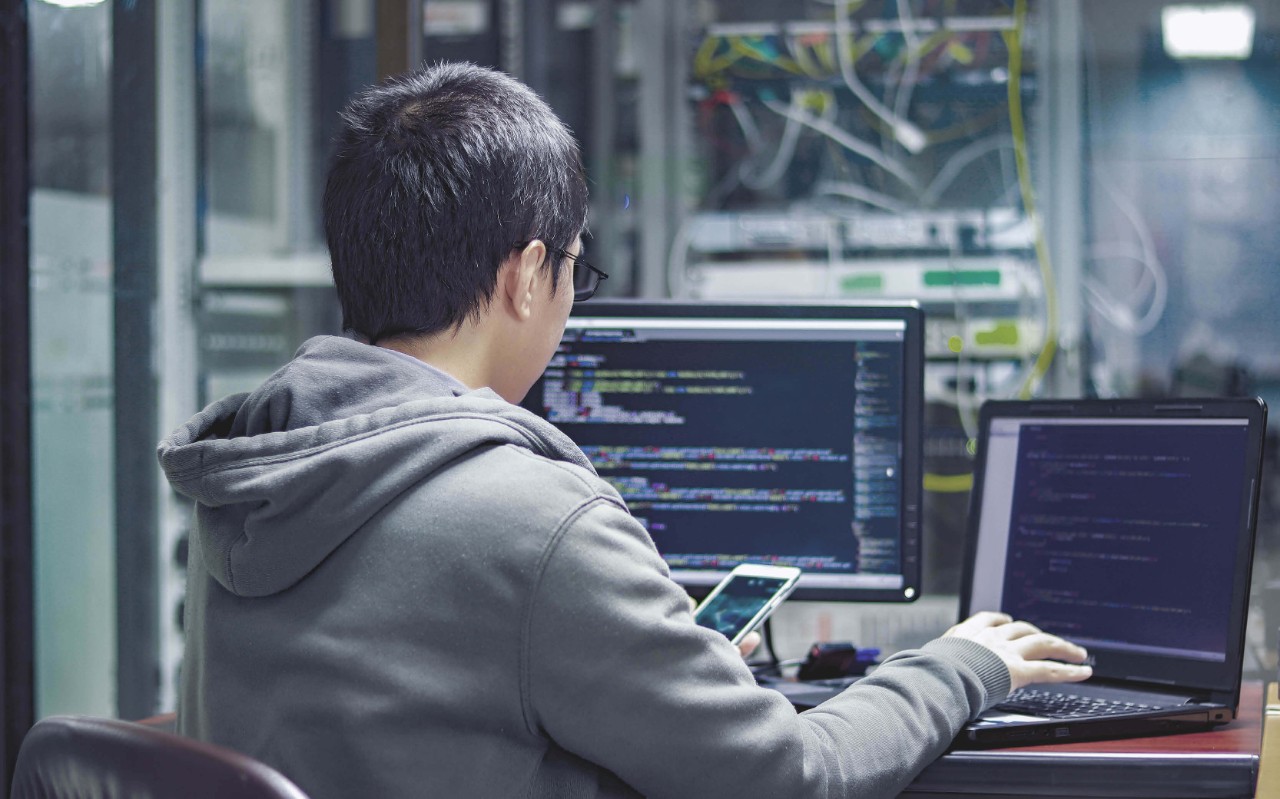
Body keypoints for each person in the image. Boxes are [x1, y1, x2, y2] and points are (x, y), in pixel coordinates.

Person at [158, 61, 1091, 799]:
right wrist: (966, 662)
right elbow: (793, 775)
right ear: (528, 275)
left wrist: (666, 671)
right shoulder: (529, 518)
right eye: (573, 267)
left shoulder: (251, 474)